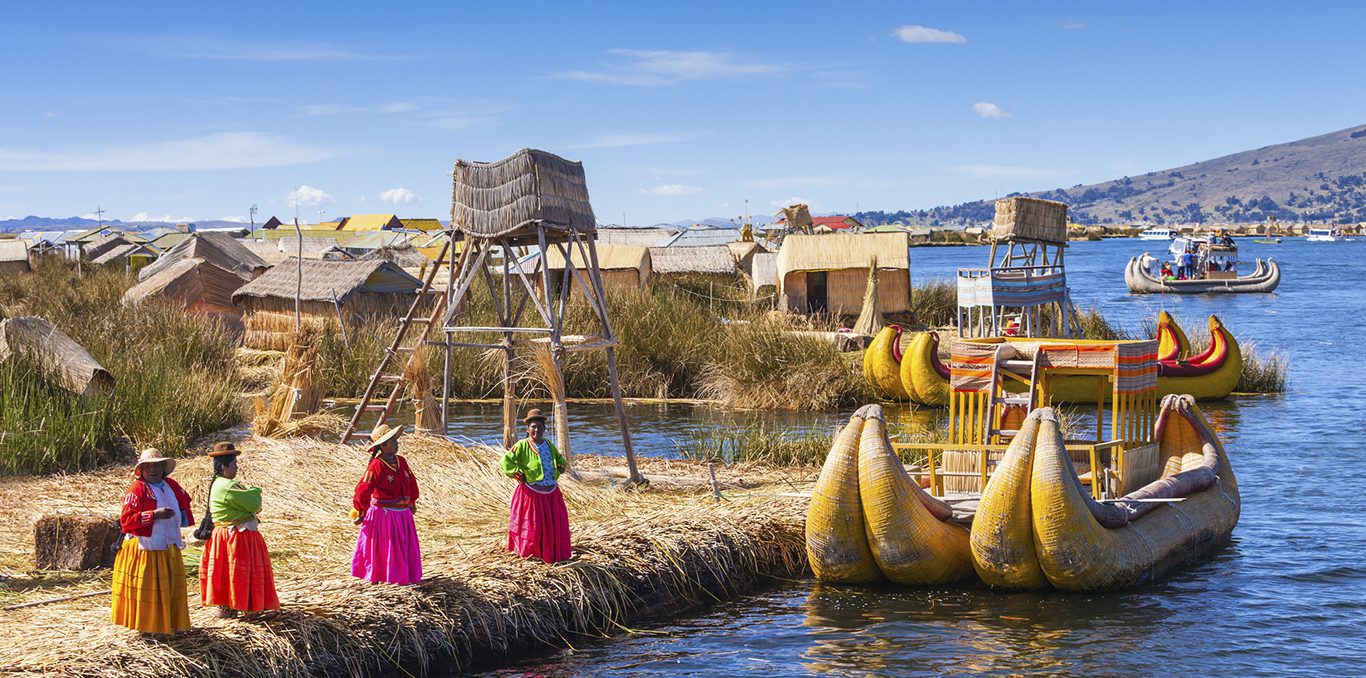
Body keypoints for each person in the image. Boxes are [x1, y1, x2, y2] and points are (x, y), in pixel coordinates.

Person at [111, 449, 194, 635]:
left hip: (168, 545)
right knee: (150, 590)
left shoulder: (171, 485)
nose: (152, 470)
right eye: (147, 467)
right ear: (141, 470)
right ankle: (148, 627)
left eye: (156, 466)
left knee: (168, 588)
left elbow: (184, 504)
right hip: (147, 548)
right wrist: (154, 515)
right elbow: (126, 520)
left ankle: (167, 624)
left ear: (163, 467)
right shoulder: (137, 490)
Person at [199, 442, 280, 618]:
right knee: (239, 573)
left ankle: (229, 608)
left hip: (228, 535)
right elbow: (254, 503)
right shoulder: (227, 486)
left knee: (229, 573)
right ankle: (245, 607)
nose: (237, 467)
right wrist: (254, 491)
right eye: (234, 463)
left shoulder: (220, 483)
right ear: (223, 466)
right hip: (235, 537)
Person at [351, 424, 422, 585]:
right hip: (385, 516)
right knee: (388, 547)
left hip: (403, 514)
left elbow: (411, 482)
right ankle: (385, 577)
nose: (397, 443)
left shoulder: (401, 461)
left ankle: (405, 577)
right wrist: (361, 511)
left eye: (396, 440)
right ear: (383, 445)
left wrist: (412, 502)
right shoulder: (376, 465)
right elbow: (363, 489)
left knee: (404, 546)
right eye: (392, 441)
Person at [500, 409, 571, 564]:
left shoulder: (548, 445)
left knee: (552, 524)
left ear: (544, 429)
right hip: (532, 493)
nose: (536, 430)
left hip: (551, 491)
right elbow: (506, 461)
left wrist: (560, 468)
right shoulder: (522, 445)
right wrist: (517, 473)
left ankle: (551, 551)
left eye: (540, 427)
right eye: (533, 427)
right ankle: (532, 553)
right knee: (533, 525)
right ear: (527, 429)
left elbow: (560, 459)